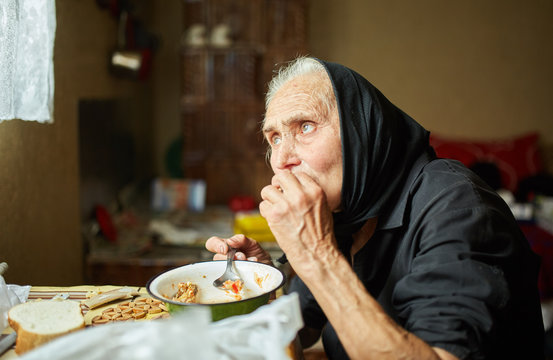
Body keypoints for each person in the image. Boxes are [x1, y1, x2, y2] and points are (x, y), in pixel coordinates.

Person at [206, 57, 544, 359]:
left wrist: (315, 254)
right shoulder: (345, 212)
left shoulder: (458, 205)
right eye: (275, 138)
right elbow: (301, 329)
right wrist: (259, 283)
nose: (281, 159)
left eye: (305, 126)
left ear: (361, 132)